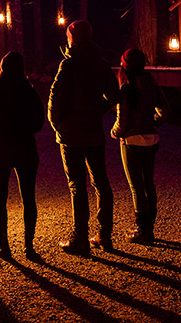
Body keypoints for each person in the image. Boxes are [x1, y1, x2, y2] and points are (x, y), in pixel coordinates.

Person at [48, 19, 119, 255]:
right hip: (93, 132)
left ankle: (80, 238)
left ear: (72, 38)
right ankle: (105, 235)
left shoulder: (69, 65)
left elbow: (56, 98)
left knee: (77, 185)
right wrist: (99, 110)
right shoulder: (101, 64)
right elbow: (114, 95)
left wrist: (56, 123)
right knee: (101, 182)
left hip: (70, 135)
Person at [0, 51, 44, 259]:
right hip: (26, 148)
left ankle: (4, 244)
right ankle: (29, 245)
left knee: (0, 198)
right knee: (29, 197)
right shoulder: (29, 93)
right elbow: (39, 122)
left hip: (0, 149)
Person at [110, 48, 168, 244]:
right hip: (152, 139)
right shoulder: (151, 83)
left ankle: (143, 230)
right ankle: (149, 227)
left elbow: (123, 120)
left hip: (131, 141)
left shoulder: (126, 87)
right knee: (148, 182)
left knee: (137, 186)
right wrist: (152, 122)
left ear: (124, 66)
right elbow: (165, 112)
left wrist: (114, 132)